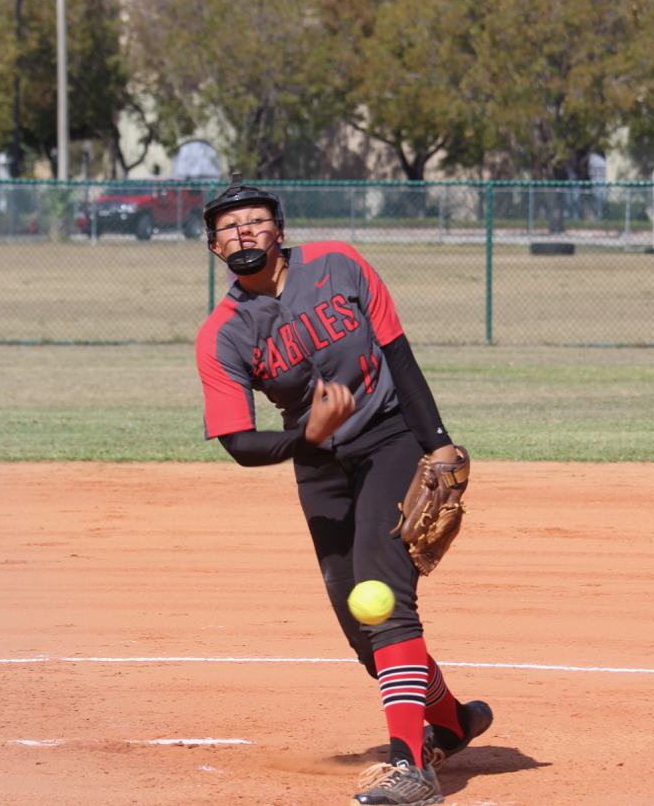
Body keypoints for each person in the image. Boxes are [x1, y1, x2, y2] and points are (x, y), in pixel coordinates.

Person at [194, 174, 491, 806]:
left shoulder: (340, 264)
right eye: (228, 227)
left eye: (255, 221)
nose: (243, 234)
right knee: (360, 624)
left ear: (281, 230)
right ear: (213, 246)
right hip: (319, 465)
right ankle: (453, 721)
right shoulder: (223, 333)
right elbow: (238, 443)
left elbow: (398, 355)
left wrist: (437, 441)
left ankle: (412, 768)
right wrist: (308, 437)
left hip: (390, 439)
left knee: (385, 595)